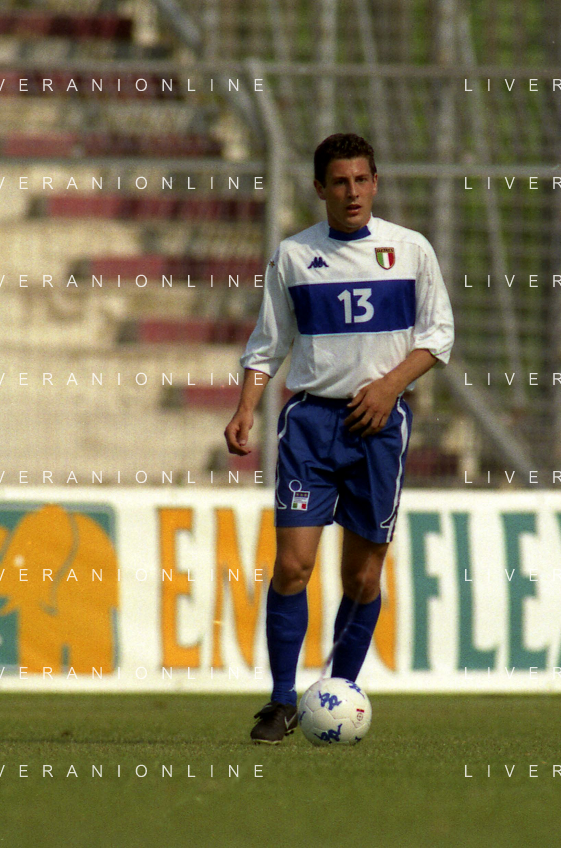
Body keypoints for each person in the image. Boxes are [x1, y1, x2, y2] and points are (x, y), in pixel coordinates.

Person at [224, 133, 454, 744]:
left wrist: (389, 388)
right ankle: (280, 701)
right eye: (339, 182)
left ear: (375, 182)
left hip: (379, 428)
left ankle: (338, 694)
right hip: (311, 425)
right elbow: (267, 344)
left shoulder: (410, 250)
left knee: (362, 580)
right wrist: (245, 408)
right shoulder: (294, 256)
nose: (352, 192)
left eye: (361, 180)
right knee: (292, 566)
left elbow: (438, 336)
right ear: (320, 188)